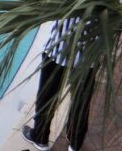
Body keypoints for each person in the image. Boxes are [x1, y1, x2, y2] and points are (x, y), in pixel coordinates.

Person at [20, 17, 99, 151]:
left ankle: (40, 136)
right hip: (89, 51)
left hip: (60, 43)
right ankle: (75, 142)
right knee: (81, 100)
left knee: (47, 94)